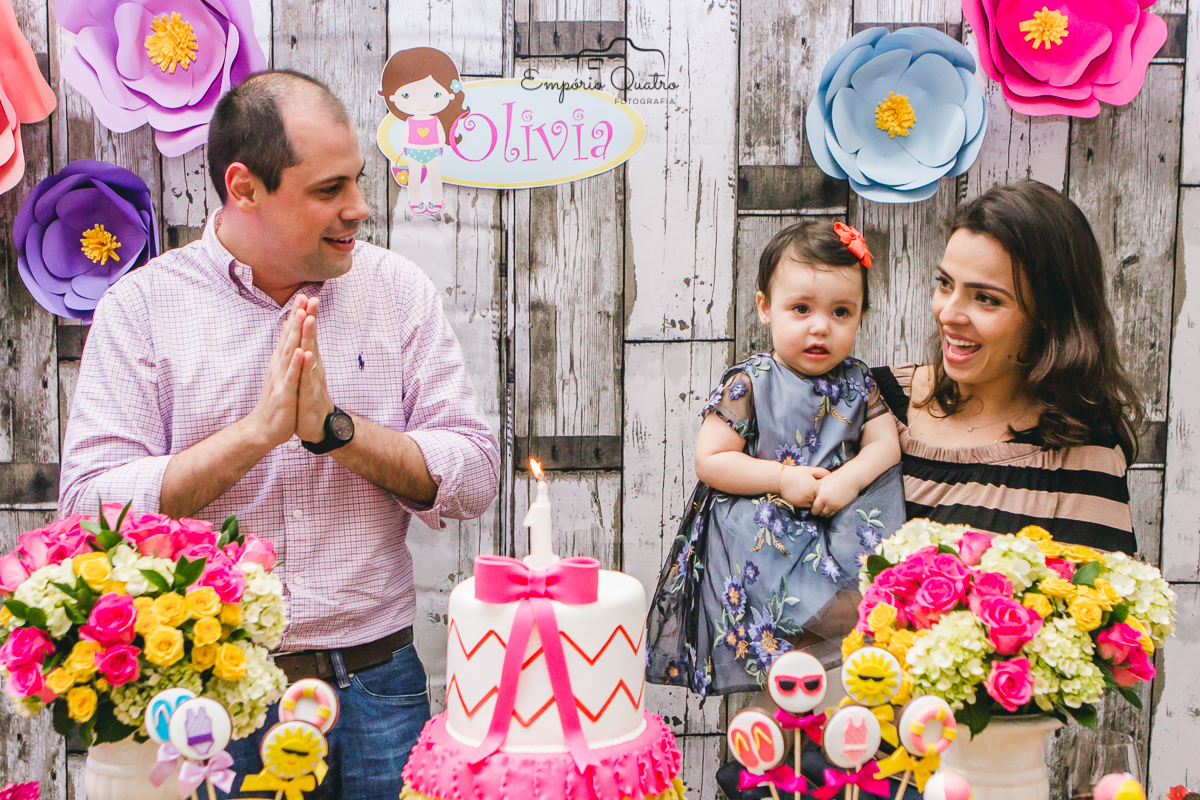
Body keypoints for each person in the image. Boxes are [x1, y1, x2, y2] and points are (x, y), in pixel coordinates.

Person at [57, 70, 500, 798]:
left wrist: (337, 433)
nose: (359, 209)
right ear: (245, 187)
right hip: (207, 703)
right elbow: (88, 505)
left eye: (357, 181)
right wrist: (256, 435)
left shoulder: (398, 291)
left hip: (377, 692)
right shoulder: (142, 307)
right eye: (329, 190)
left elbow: (475, 472)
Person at [645, 220, 906, 698]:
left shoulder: (858, 382)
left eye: (841, 312)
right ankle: (768, 724)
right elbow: (712, 459)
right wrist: (782, 479)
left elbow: (886, 444)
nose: (820, 326)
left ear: (860, 317)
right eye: (801, 309)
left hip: (835, 513)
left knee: (863, 607)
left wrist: (849, 480)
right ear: (766, 308)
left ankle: (821, 697)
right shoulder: (750, 382)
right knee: (789, 636)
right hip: (766, 530)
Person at [872, 180, 1142, 554]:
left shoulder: (1080, 456)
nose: (948, 313)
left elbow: (1097, 606)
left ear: (1049, 316)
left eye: (985, 298)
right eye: (945, 284)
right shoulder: (874, 398)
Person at [379, 47, 467, 216]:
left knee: (434, 175)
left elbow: (441, 136)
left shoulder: (435, 120)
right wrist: (406, 147)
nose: (422, 103)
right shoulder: (410, 121)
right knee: (414, 176)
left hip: (433, 151)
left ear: (449, 94)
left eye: (436, 94)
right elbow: (405, 137)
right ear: (392, 96)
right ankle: (415, 201)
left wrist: (439, 145)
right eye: (406, 96)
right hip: (413, 151)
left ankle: (436, 200)